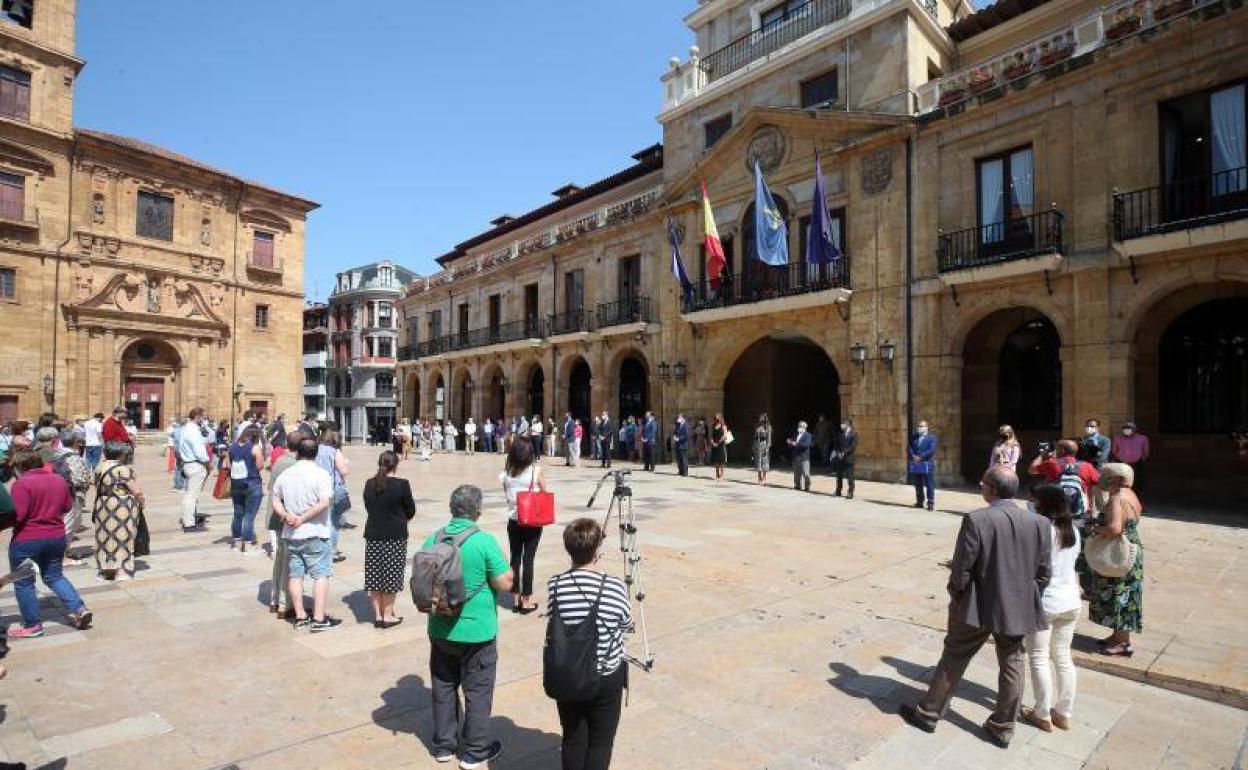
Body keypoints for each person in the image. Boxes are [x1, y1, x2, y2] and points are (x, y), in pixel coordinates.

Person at [899, 468, 1049, 748]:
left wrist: (957, 597)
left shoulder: (977, 519)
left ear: (991, 490)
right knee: (1013, 660)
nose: (981, 488)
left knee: (955, 654)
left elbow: (962, 569)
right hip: (1016, 605)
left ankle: (929, 713)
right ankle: (1003, 726)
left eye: (983, 484)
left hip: (977, 605)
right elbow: (1043, 573)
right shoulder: (1039, 523)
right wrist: (1024, 597)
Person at [424, 485, 512, 768]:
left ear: (452, 508)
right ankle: (475, 751)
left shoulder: (433, 538)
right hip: (477, 632)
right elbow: (505, 582)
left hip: (440, 628)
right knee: (477, 690)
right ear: (477, 511)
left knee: (442, 685)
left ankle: (443, 746)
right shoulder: (483, 541)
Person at [546, 518, 634, 770]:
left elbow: (555, 618)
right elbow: (626, 624)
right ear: (597, 551)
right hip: (605, 674)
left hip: (568, 672)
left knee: (573, 737)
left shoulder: (555, 584)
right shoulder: (614, 586)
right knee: (601, 741)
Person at [5, 449, 93, 637]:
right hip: (56, 537)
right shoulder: (58, 480)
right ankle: (78, 608)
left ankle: (33, 625)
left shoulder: (21, 485)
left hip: (27, 539)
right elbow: (67, 507)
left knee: (24, 582)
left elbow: (18, 515)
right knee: (54, 576)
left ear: (20, 467)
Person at [1022, 484, 1081, 733]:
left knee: (1038, 656)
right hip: (1070, 600)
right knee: (1063, 657)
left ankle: (1042, 712)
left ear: (1043, 504)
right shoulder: (1074, 532)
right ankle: (1064, 712)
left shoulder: (1041, 530)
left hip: (1046, 601)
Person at [273, 436, 341, 632]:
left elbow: (275, 499)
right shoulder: (320, 474)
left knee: (295, 575)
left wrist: (286, 515)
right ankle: (319, 618)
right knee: (321, 575)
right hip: (315, 531)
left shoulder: (286, 475)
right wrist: (303, 518)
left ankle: (301, 615)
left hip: (292, 534)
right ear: (316, 454)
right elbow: (325, 502)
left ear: (297, 453)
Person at [1088, 463, 1144, 658]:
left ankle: (1122, 642)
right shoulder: (1131, 495)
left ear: (1118, 479)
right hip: (1132, 548)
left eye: (1106, 475)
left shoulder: (1116, 498)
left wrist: (1096, 530)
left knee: (1119, 594)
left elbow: (1114, 528)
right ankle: (1117, 636)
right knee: (1126, 593)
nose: (1101, 478)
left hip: (1119, 551)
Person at [363, 450, 415, 628]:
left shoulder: (370, 484)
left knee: (375, 576)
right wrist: (399, 518)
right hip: (395, 535)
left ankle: (378, 615)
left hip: (374, 534)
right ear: (395, 465)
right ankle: (387, 616)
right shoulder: (402, 485)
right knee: (391, 576)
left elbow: (369, 507)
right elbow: (410, 510)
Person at [502, 438, 546, 614]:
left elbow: (507, 496)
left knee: (515, 557)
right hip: (532, 520)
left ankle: (514, 598)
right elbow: (544, 492)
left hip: (513, 520)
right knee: (529, 559)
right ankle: (526, 600)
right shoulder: (536, 471)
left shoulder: (506, 473)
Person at [92, 441, 145, 582]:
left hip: (103, 503)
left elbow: (92, 483)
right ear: (121, 454)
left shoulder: (99, 467)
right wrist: (141, 502)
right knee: (122, 536)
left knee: (104, 536)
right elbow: (137, 490)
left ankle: (105, 570)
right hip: (121, 505)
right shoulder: (122, 469)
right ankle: (121, 570)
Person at [266, 429, 305, 617]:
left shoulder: (280, 460)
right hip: (285, 518)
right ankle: (284, 603)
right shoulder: (291, 464)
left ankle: (274, 600)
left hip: (277, 517)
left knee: (280, 559)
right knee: (288, 561)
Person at [52, 429, 91, 564]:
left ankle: (65, 551)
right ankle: (62, 556)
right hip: (72, 494)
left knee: (67, 522)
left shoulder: (56, 454)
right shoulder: (73, 457)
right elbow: (80, 479)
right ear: (75, 442)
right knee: (69, 523)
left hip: (58, 493)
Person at [315, 429, 351, 562]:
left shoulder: (315, 449)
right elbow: (344, 471)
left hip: (316, 488)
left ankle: (319, 548)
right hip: (330, 489)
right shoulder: (334, 452)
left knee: (320, 520)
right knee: (333, 522)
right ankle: (332, 551)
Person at [228, 425, 265, 554]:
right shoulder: (255, 448)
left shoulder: (232, 447)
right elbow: (260, 466)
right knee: (249, 515)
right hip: (252, 483)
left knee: (238, 513)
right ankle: (248, 544)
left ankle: (237, 543)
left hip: (236, 484)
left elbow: (229, 464)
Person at [176, 407, 211, 532]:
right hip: (195, 464)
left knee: (191, 494)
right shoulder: (193, 431)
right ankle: (189, 523)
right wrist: (207, 462)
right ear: (197, 417)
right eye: (203, 418)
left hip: (187, 463)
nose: (204, 420)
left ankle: (190, 518)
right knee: (191, 495)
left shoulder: (185, 429)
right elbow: (199, 451)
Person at [1110, 421, 1149, 491]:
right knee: (1122, 480)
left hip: (1137, 463)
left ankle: (1137, 494)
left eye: (1129, 428)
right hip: (1122, 462)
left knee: (1137, 480)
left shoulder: (1142, 438)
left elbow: (1145, 451)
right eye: (1125, 428)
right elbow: (1114, 450)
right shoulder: (1117, 438)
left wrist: (1142, 459)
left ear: (1134, 429)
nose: (1127, 430)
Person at [908, 420, 938, 511]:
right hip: (916, 464)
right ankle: (919, 501)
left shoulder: (931, 438)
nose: (920, 428)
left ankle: (930, 503)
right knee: (918, 484)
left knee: (929, 484)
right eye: (919, 426)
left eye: (922, 426)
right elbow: (909, 447)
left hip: (927, 464)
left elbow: (931, 450)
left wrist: (920, 457)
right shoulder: (914, 437)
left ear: (926, 427)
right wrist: (913, 456)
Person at [832, 419, 857, 499]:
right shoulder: (840, 433)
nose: (842, 426)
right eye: (841, 424)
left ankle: (850, 492)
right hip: (839, 457)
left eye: (843, 424)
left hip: (848, 458)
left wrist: (844, 453)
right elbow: (836, 444)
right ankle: (838, 490)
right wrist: (838, 452)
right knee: (839, 475)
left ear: (848, 425)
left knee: (850, 476)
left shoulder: (854, 434)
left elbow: (852, 446)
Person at [788, 420, 813, 492]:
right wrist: (790, 442)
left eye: (801, 426)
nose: (800, 427)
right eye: (799, 426)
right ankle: (797, 486)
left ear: (805, 427)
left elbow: (806, 445)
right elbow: (792, 443)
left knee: (806, 473)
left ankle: (807, 486)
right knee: (796, 473)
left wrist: (796, 444)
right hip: (795, 457)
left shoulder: (808, 435)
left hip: (804, 457)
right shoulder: (795, 434)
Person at [753, 414, 772, 484]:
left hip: (764, 444)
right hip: (757, 445)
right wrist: (754, 446)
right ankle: (759, 477)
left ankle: (764, 478)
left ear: (765, 419)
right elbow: (754, 436)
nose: (760, 419)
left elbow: (769, 439)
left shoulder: (768, 427)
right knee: (758, 461)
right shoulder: (757, 426)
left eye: (761, 418)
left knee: (764, 462)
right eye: (759, 418)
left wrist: (767, 448)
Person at [710, 414, 728, 480]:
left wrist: (718, 442)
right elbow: (711, 436)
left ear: (720, 418)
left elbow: (725, 436)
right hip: (715, 444)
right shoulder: (713, 426)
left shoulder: (724, 426)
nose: (716, 420)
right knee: (716, 461)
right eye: (715, 418)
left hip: (721, 445)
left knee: (721, 461)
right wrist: (713, 442)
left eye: (717, 418)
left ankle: (722, 475)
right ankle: (717, 475)